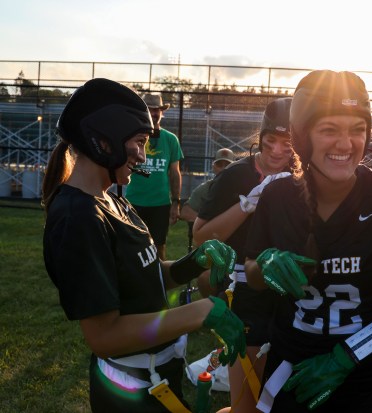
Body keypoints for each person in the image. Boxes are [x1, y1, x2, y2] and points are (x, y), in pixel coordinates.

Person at [41, 78, 245, 412]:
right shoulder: (78, 217)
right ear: (103, 139)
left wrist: (195, 262)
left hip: (155, 377)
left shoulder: (112, 200)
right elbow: (104, 335)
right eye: (138, 141)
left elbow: (145, 275)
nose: (142, 153)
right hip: (131, 388)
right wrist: (201, 311)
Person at [244, 70, 372, 413]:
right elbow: (250, 273)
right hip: (294, 370)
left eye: (357, 130)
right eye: (329, 130)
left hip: (370, 373)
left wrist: (349, 355)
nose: (346, 144)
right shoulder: (277, 195)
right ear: (302, 137)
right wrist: (265, 265)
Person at [192, 97, 294, 412]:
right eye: (270, 141)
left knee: (283, 397)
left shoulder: (305, 174)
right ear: (260, 137)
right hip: (245, 292)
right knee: (246, 400)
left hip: (292, 292)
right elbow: (200, 237)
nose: (277, 150)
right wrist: (248, 204)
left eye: (287, 142)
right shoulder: (236, 175)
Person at [125, 92, 184, 260]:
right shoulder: (133, 137)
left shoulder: (170, 139)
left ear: (161, 112)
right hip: (135, 200)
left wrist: (176, 202)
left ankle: (159, 283)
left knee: (159, 247)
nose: (154, 113)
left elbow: (174, 172)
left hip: (160, 204)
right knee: (132, 246)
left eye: (157, 110)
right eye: (149, 110)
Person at [180, 147, 236, 224]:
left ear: (235, 167)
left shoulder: (241, 188)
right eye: (219, 164)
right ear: (213, 167)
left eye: (228, 165)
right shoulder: (205, 189)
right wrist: (210, 224)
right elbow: (186, 212)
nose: (223, 169)